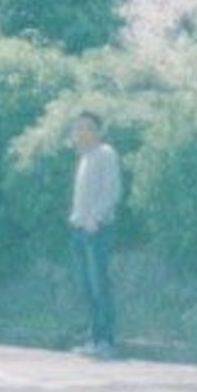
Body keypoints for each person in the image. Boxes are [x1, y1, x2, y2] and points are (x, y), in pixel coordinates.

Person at [66, 111, 124, 356]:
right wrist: (77, 218)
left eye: (88, 128)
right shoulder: (84, 158)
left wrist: (95, 219)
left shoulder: (105, 154)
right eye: (78, 128)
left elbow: (112, 191)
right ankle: (93, 338)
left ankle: (106, 341)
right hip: (80, 228)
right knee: (86, 286)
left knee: (100, 285)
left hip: (97, 229)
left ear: (98, 131)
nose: (82, 133)